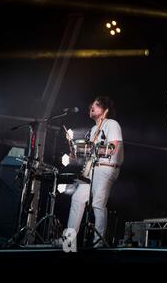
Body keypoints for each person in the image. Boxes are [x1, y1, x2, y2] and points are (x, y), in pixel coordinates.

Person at [66, 96, 123, 247]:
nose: (92, 106)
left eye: (96, 105)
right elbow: (84, 154)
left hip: (106, 167)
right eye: (92, 104)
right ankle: (69, 241)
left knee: (98, 203)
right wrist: (73, 148)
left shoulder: (112, 124)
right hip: (92, 169)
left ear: (105, 110)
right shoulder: (92, 130)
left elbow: (112, 148)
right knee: (77, 199)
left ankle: (99, 242)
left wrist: (91, 149)